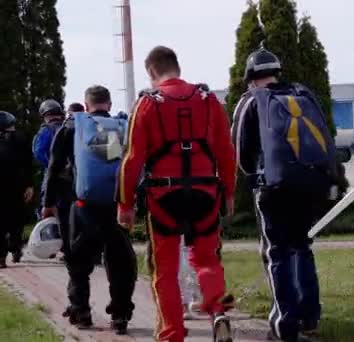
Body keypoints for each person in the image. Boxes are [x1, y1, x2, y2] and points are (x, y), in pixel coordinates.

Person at [117, 46, 236, 342]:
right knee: (207, 259)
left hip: (164, 196)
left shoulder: (147, 103)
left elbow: (132, 159)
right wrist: (229, 194)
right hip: (206, 193)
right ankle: (217, 308)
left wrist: (126, 204)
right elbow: (226, 152)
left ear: (151, 72)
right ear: (177, 67)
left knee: (165, 271)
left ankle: (172, 334)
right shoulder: (209, 100)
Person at [232, 48, 339, 341]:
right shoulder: (302, 95)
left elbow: (241, 153)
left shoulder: (251, 100)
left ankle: (285, 324)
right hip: (309, 184)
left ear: (251, 77)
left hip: (273, 187)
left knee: (276, 252)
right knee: (302, 246)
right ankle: (310, 316)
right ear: (277, 71)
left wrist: (254, 177)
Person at [42, 85, 137, 335]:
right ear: (108, 104)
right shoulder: (121, 126)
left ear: (86, 106)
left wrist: (48, 203)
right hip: (116, 205)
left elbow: (53, 166)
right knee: (119, 262)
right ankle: (120, 315)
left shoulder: (73, 126)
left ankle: (81, 311)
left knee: (78, 261)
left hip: (82, 205)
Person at [0, 111, 34, 268]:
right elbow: (28, 164)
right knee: (16, 220)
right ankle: (15, 248)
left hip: (8, 186)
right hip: (17, 186)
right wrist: (29, 185)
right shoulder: (20, 139)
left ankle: (1, 257)